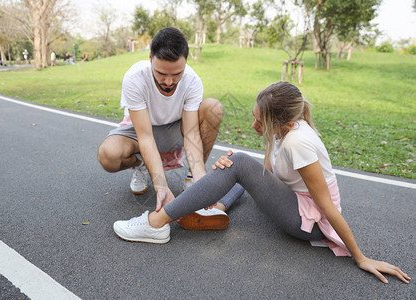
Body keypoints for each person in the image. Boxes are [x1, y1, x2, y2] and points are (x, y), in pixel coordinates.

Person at [113, 81, 411, 284]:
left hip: (310, 221)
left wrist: (361, 258)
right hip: (296, 205)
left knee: (240, 163)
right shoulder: (284, 130)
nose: (253, 126)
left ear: (283, 123)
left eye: (259, 122)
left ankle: (156, 224)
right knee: (238, 164)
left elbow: (328, 208)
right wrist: (227, 175)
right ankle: (217, 206)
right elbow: (267, 174)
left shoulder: (299, 144)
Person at [98, 27, 244, 229]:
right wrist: (162, 186)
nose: (168, 82)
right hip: (141, 131)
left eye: (177, 74)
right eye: (161, 73)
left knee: (213, 108)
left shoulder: (192, 81)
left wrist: (204, 185)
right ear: (150, 58)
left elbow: (191, 134)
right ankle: (141, 165)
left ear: (185, 61)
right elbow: (146, 137)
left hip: (175, 129)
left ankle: (193, 178)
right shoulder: (134, 78)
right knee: (108, 155)